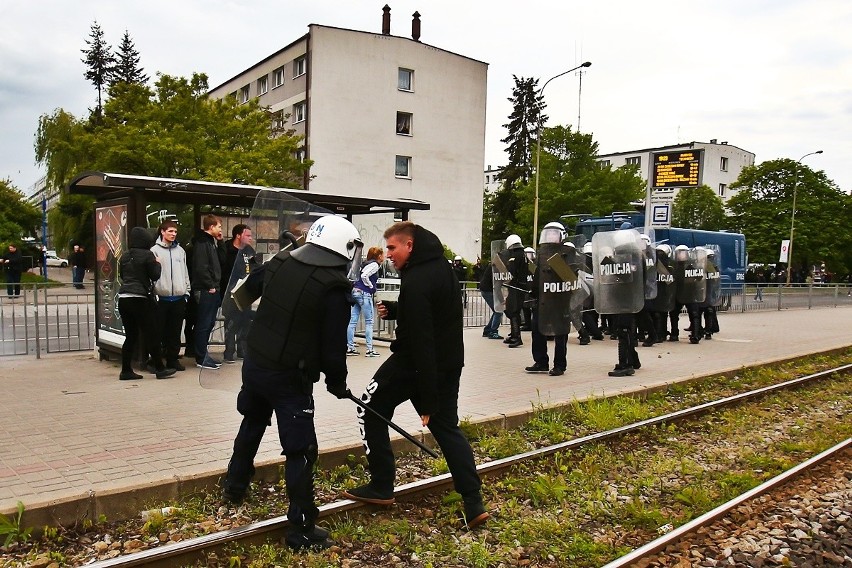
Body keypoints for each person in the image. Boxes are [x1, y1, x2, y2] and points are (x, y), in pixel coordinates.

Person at [221, 215, 362, 551]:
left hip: (256, 364)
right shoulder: (334, 288)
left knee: (253, 422)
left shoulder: (281, 260)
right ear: (344, 247)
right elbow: (332, 348)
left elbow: (243, 294)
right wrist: (338, 383)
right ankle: (300, 529)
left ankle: (234, 486)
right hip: (289, 378)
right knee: (300, 450)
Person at [342, 221, 489, 530]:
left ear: (409, 245)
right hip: (448, 362)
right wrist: (397, 310)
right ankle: (473, 501)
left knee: (368, 407)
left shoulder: (418, 279)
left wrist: (428, 399)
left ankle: (381, 485)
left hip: (415, 363)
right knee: (447, 427)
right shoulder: (440, 269)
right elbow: (434, 314)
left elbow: (422, 338)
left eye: (392, 248)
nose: (388, 254)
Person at [117, 227, 176, 381]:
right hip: (140, 299)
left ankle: (126, 370)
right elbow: (155, 275)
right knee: (152, 333)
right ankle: (160, 368)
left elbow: (122, 276)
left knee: (130, 336)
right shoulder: (148, 255)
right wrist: (158, 263)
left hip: (124, 298)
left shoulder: (124, 256)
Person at [150, 220, 191, 372]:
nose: (173, 234)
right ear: (162, 231)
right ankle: (157, 360)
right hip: (162, 298)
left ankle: (173, 359)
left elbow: (185, 272)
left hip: (179, 298)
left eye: (175, 232)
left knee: (175, 331)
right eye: (170, 231)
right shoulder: (154, 250)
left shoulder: (180, 251)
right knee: (159, 331)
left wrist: (186, 292)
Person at [191, 214, 224, 369]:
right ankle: (201, 357)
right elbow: (201, 266)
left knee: (209, 323)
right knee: (204, 324)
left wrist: (221, 241)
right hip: (206, 289)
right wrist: (209, 285)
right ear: (211, 227)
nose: (220, 229)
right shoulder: (203, 243)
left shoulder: (211, 242)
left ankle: (203, 354)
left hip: (212, 288)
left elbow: (221, 260)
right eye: (218, 226)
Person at [222, 224, 255, 364]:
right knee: (231, 322)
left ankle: (243, 350)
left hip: (245, 290)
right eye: (247, 235)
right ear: (238, 235)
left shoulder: (249, 251)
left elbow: (255, 267)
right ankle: (229, 352)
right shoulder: (226, 249)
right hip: (230, 291)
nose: (250, 238)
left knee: (245, 321)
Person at [347, 246, 384, 357]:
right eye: (382, 254)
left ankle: (350, 347)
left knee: (353, 321)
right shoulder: (375, 265)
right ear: (378, 256)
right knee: (369, 321)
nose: (384, 256)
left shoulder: (364, 263)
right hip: (364, 293)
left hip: (356, 292)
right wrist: (371, 286)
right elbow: (364, 276)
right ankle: (370, 349)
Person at [502, 234, 528, 348]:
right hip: (521, 286)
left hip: (515, 286)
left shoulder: (514, 256)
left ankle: (516, 337)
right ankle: (513, 335)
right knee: (513, 310)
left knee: (513, 312)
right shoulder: (523, 254)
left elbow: (511, 271)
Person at [477, 261, 503, 339]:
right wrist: (501, 299)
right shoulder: (498, 267)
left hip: (486, 289)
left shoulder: (494, 265)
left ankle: (488, 330)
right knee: (498, 311)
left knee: (496, 311)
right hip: (488, 290)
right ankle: (493, 331)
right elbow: (497, 285)